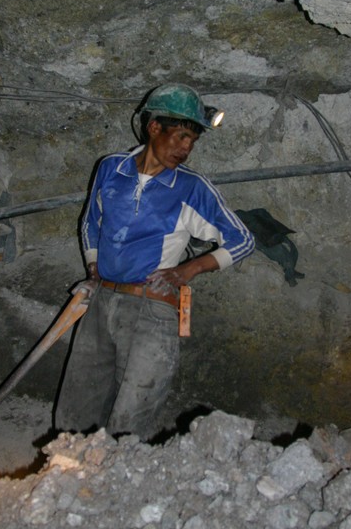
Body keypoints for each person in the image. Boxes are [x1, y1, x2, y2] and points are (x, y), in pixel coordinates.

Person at [55, 83, 255, 439]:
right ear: (153, 128)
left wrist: (188, 269)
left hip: (152, 308)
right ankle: (68, 484)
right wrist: (92, 266)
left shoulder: (192, 187)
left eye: (192, 141)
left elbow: (243, 240)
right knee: (76, 414)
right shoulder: (111, 169)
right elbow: (90, 221)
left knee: (130, 422)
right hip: (101, 303)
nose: (186, 148)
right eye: (180, 136)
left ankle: (122, 483)